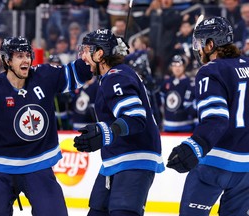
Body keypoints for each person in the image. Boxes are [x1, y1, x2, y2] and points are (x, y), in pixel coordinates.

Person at [0, 36, 92, 216]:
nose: (26, 60)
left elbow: (79, 72)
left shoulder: (44, 75)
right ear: (7, 60)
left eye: (27, 55)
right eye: (19, 56)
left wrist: (99, 53)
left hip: (39, 168)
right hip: (2, 170)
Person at [74, 29, 165, 216]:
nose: (83, 55)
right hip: (116, 158)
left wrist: (106, 132)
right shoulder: (113, 76)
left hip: (133, 158)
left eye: (86, 50)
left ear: (99, 54)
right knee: (97, 211)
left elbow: (135, 117)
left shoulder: (116, 76)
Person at [167, 16, 249, 215]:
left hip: (215, 164)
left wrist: (194, 146)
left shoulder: (211, 70)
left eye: (199, 43)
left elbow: (216, 118)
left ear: (211, 44)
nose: (197, 48)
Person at [159, 54, 197, 132]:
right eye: (174, 65)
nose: (177, 68)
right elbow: (161, 103)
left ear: (184, 67)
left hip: (186, 126)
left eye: (179, 65)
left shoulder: (189, 83)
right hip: (168, 126)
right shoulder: (167, 82)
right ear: (171, 67)